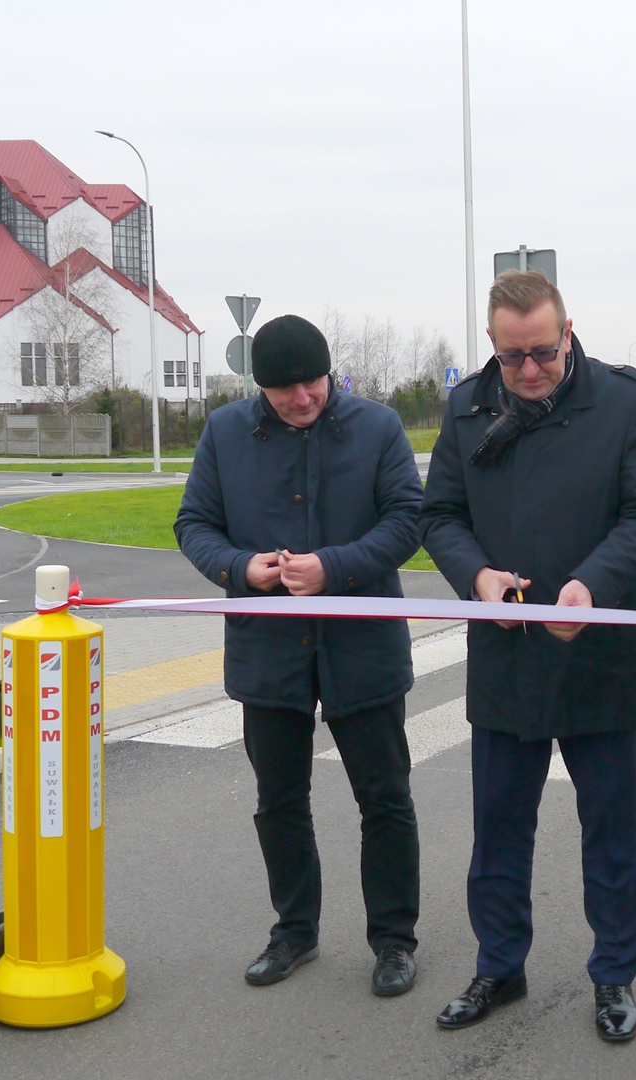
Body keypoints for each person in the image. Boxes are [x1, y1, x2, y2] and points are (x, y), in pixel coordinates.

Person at [419, 269, 636, 1043]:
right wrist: (476, 575)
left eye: (542, 351)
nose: (529, 371)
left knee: (609, 828)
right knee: (498, 826)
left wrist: (591, 586)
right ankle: (499, 964)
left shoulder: (628, 403)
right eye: (511, 357)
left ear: (568, 333)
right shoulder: (468, 408)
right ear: (493, 347)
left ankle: (614, 974)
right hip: (508, 656)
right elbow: (439, 514)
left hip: (600, 650)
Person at [173, 314, 425, 999]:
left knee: (385, 798)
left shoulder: (377, 427)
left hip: (362, 645)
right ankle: (294, 931)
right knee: (279, 799)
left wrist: (334, 568)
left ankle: (394, 940)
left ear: (328, 373)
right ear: (259, 389)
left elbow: (408, 519)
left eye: (312, 384)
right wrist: (238, 569)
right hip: (268, 652)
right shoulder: (227, 433)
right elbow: (193, 523)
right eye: (284, 391)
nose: (302, 399)